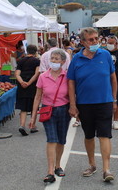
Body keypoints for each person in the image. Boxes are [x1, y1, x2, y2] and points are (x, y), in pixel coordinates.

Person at [67, 27, 117, 183]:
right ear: (82, 42)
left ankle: (106, 169)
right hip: (85, 104)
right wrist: (73, 105)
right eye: (91, 39)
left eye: (96, 38)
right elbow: (71, 83)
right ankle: (92, 164)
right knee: (88, 135)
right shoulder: (76, 59)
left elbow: (113, 79)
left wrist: (114, 100)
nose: (95, 41)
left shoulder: (106, 55)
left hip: (104, 102)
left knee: (104, 134)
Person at [29, 49, 71, 183]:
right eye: (52, 58)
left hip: (64, 110)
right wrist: (33, 117)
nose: (54, 61)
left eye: (57, 59)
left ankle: (58, 165)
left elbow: (72, 95)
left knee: (61, 140)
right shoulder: (43, 76)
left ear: (63, 62)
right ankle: (50, 171)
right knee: (51, 139)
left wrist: (76, 111)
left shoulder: (67, 76)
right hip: (48, 111)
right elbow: (37, 97)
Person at [15, 44, 40, 136]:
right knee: (34, 107)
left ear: (27, 51)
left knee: (23, 107)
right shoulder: (37, 61)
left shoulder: (21, 61)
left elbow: (17, 74)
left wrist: (22, 82)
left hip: (22, 86)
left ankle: (22, 125)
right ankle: (32, 125)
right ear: (35, 52)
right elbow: (37, 73)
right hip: (32, 86)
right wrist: (29, 83)